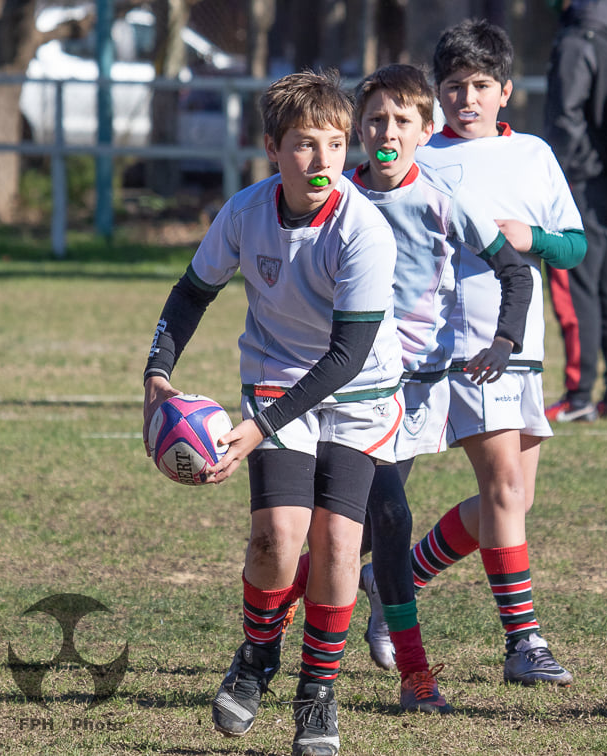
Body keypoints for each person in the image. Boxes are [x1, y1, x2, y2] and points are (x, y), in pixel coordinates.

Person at [144, 70, 404, 756]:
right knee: (275, 543)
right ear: (271, 147)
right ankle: (258, 656)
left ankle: (317, 692)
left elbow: (348, 357)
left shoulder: (364, 232)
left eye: (335, 144)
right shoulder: (245, 211)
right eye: (304, 144)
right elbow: (191, 293)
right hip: (276, 378)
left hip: (358, 394)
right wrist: (157, 371)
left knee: (340, 546)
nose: (322, 161)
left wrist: (258, 426)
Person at [285, 63, 536, 715]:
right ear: (358, 130)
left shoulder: (443, 203)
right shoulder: (335, 195)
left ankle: (270, 616)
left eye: (402, 121)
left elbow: (516, 274)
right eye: (375, 120)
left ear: (428, 130)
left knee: (356, 533)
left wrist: (503, 342)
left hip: (420, 396)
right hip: (348, 390)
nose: (387, 132)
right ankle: (416, 676)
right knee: (390, 518)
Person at [406, 18, 586, 687]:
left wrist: (531, 235)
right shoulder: (421, 157)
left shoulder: (534, 155)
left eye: (480, 84)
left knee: (510, 501)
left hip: (523, 345)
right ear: (438, 92)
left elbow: (575, 245)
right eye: (453, 86)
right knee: (504, 487)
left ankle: (390, 578)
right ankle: (524, 643)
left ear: (505, 90)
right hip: (463, 347)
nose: (467, 98)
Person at [544, 0, 607, 422]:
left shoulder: (580, 37)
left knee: (576, 283)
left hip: (584, 180)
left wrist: (565, 176)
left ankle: (579, 397)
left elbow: (567, 114)